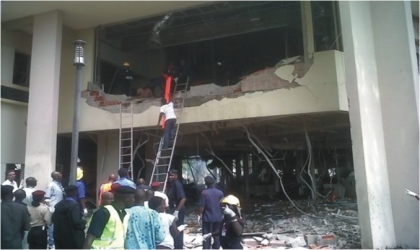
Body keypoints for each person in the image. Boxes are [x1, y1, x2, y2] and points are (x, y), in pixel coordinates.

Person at [199, 176, 224, 250]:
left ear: (206, 183)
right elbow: (223, 205)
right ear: (214, 183)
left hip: (207, 218)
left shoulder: (204, 193)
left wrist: (199, 215)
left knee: (206, 236)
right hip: (218, 218)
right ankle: (216, 248)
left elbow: (202, 206)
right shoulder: (220, 193)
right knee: (217, 236)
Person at [167, 169, 187, 249]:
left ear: (176, 176)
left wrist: (177, 211)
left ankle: (178, 247)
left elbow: (183, 199)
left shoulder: (177, 184)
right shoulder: (171, 184)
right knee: (174, 229)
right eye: (169, 175)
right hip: (173, 207)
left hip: (177, 209)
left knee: (177, 229)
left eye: (172, 175)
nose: (170, 177)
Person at [45, 171, 64, 249]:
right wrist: (50, 209)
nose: (61, 175)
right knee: (52, 227)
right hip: (53, 209)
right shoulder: (51, 185)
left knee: (57, 226)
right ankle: (51, 243)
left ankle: (56, 242)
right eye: (60, 175)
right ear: (56, 177)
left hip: (59, 208)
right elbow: (47, 198)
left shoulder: (59, 185)